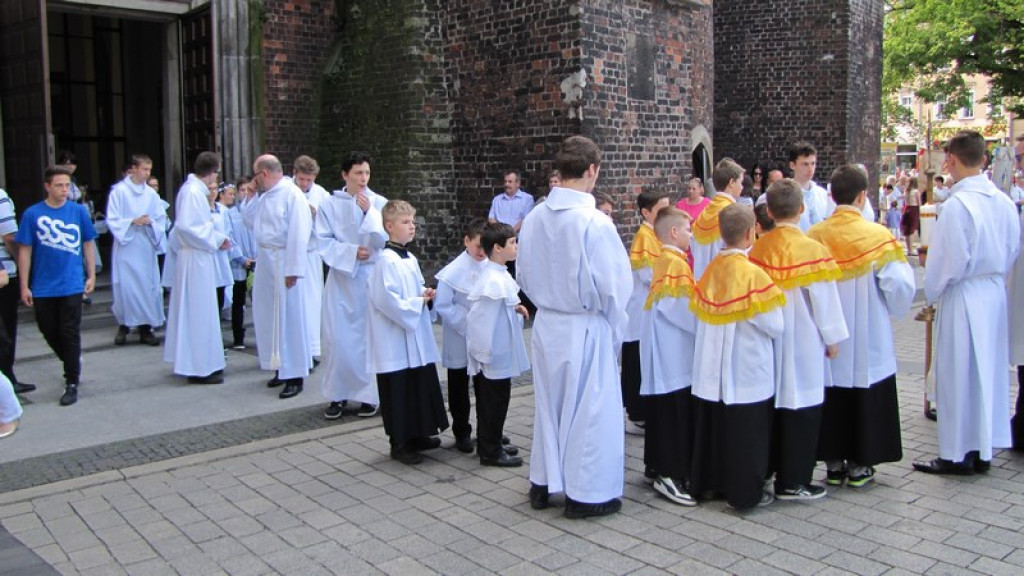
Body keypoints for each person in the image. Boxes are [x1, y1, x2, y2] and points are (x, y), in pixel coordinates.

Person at [517, 135, 632, 519]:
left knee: (550, 406)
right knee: (591, 410)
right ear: (592, 171)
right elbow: (615, 288)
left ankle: (544, 482)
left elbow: (524, 275)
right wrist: (615, 330)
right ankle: (587, 493)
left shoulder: (533, 217)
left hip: (548, 323)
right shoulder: (595, 223)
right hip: (585, 324)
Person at [916, 130, 1020, 474]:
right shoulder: (1004, 202)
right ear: (984, 160)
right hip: (993, 293)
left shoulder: (958, 206)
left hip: (963, 294)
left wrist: (931, 288)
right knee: (986, 374)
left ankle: (955, 453)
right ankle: (981, 449)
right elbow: (1013, 250)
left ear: (952, 160)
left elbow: (947, 262)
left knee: (958, 374)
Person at [809, 165, 915, 487]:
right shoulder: (878, 236)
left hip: (828, 338)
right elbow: (898, 286)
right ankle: (860, 463)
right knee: (865, 388)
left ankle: (833, 463)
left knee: (831, 394)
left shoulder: (815, 237)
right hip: (868, 334)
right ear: (861, 196)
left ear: (831, 196)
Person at [749, 179, 848, 501]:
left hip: (768, 339)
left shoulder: (757, 250)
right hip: (805, 339)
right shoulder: (813, 250)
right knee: (803, 407)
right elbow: (825, 301)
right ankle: (794, 481)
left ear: (770, 211)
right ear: (802, 209)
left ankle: (767, 470)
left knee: (772, 404)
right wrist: (832, 338)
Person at [688, 204, 785, 510]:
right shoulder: (753, 274)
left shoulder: (711, 270)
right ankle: (745, 494)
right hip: (746, 370)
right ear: (750, 233)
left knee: (718, 431)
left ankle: (711, 484)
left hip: (713, 370)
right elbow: (774, 325)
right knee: (747, 436)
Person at [367, 200, 449, 464]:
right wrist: (416, 303)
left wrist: (424, 294)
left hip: (412, 335)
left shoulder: (409, 257)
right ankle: (400, 442)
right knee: (399, 387)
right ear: (389, 226)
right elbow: (386, 300)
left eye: (413, 221)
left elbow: (413, 289)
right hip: (393, 338)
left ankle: (418, 433)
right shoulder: (385, 261)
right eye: (405, 222)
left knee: (418, 381)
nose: (411, 226)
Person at [16, 165, 97, 406]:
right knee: (48, 329)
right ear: (47, 186)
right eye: (59, 185)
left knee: (69, 331)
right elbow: (25, 251)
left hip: (71, 283)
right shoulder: (32, 214)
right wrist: (24, 285)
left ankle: (71, 380)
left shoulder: (78, 212)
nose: (64, 190)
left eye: (67, 185)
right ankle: (71, 360)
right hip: (43, 285)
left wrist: (91, 274)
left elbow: (88, 243)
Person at [318, 152, 388, 419]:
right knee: (338, 339)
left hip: (369, 278)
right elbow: (322, 240)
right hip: (341, 279)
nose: (363, 179)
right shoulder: (329, 204)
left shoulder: (378, 202)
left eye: (367, 173)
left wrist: (369, 212)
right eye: (358, 173)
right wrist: (349, 252)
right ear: (345, 174)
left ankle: (369, 396)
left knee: (367, 339)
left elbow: (384, 238)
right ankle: (338, 395)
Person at [639, 207, 698, 507]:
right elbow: (679, 310)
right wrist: (705, 321)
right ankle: (670, 474)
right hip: (673, 353)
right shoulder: (674, 264)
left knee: (663, 411)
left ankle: (655, 466)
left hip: (664, 350)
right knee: (674, 413)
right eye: (688, 229)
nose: (692, 235)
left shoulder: (666, 261)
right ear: (674, 232)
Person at [242, 154, 313, 400]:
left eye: (255, 175)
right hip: (266, 260)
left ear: (263, 173)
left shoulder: (291, 194)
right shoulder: (266, 194)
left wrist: (293, 268)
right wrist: (251, 196)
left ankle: (295, 375)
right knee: (269, 316)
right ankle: (279, 365)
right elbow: (250, 221)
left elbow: (299, 233)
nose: (255, 180)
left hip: (284, 261)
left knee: (289, 318)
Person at [466, 222, 531, 467]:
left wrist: (514, 307)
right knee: (493, 402)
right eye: (513, 243)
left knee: (497, 401)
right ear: (497, 247)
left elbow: (499, 305)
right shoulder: (491, 280)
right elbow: (480, 320)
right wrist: (482, 353)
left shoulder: (498, 274)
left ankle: (490, 442)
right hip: (492, 355)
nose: (516, 247)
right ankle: (490, 451)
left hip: (498, 352)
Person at [164, 152, 231, 384]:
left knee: (200, 311)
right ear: (213, 172)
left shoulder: (192, 191)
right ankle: (200, 367)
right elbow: (188, 228)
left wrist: (216, 236)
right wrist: (215, 239)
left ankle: (199, 363)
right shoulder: (193, 192)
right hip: (196, 258)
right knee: (200, 312)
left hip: (197, 256)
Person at [435, 218, 488, 451]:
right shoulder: (453, 271)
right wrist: (469, 322)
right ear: (467, 241)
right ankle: (461, 431)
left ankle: (488, 431)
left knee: (485, 385)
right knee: (458, 386)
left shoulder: (490, 265)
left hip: (483, 336)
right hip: (460, 335)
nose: (481, 252)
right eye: (478, 246)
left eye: (486, 246)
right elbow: (443, 305)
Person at [623, 189, 671, 435]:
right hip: (641, 309)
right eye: (661, 210)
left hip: (650, 307)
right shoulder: (644, 236)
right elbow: (646, 274)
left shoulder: (656, 234)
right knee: (635, 362)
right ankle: (635, 413)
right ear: (646, 212)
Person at [107, 154, 167, 346]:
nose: (147, 173)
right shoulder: (119, 192)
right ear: (134, 169)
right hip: (127, 246)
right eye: (144, 169)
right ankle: (124, 325)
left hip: (144, 246)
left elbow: (161, 219)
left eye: (149, 170)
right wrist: (132, 221)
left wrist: (151, 224)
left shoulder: (151, 195)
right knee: (127, 286)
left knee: (147, 286)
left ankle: (145, 328)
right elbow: (113, 219)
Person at [292, 155, 329, 364]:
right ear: (294, 174)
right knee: (294, 305)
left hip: (311, 255)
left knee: (312, 304)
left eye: (309, 180)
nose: (305, 184)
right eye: (301, 179)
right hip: (292, 253)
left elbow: (328, 226)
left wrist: (315, 216)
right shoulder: (286, 191)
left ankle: (312, 349)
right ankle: (295, 350)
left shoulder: (320, 194)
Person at [0, 187, 33, 395]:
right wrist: (21, 264)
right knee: (5, 331)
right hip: (4, 275)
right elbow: (10, 236)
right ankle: (7, 381)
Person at [691, 158, 744, 278]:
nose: (742, 187)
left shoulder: (705, 212)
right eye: (741, 182)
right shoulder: (732, 212)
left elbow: (694, 245)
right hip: (724, 278)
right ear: (732, 182)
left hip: (703, 280)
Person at [226, 177, 256, 350]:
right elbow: (230, 239)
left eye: (249, 190)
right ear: (238, 193)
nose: (245, 194)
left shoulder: (258, 211)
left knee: (258, 302)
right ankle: (238, 337)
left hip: (256, 262)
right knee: (238, 302)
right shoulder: (230, 214)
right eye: (242, 190)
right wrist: (241, 258)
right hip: (239, 263)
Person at [788, 142, 828, 232]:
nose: (810, 169)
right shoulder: (784, 194)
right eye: (805, 164)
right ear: (792, 165)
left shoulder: (823, 194)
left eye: (813, 163)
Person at [209, 181, 236, 313]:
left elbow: (228, 230)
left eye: (214, 189)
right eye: (210, 189)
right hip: (208, 254)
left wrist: (226, 241)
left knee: (221, 286)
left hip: (221, 254)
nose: (212, 192)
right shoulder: (201, 210)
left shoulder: (222, 211)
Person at [901, 177, 922, 255]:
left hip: (907, 208)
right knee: (912, 231)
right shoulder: (916, 192)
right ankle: (911, 250)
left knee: (907, 231)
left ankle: (908, 249)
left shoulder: (906, 191)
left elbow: (904, 201)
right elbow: (919, 203)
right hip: (914, 209)